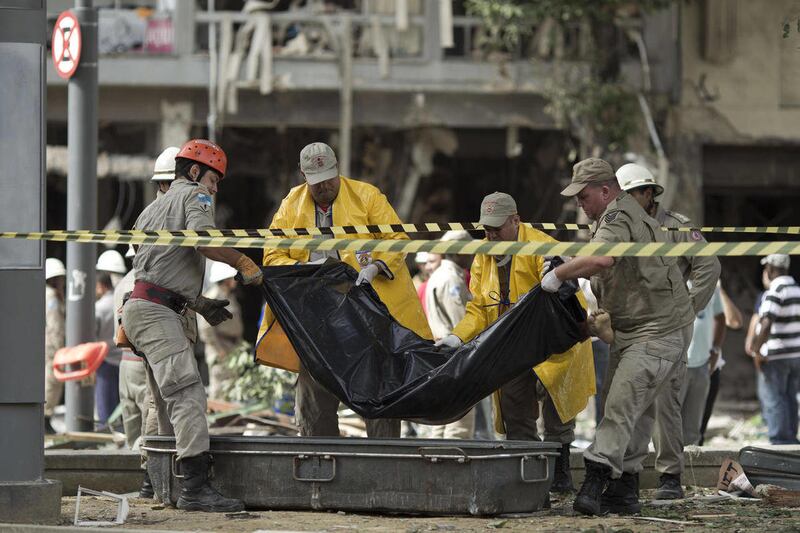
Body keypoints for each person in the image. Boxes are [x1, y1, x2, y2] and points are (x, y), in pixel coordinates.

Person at [545, 158, 696, 515]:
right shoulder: (617, 216)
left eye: (583, 197)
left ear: (606, 191)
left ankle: (594, 484)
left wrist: (559, 276)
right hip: (641, 329)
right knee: (635, 410)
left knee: (619, 407)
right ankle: (623, 492)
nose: (579, 205)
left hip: (657, 331)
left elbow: (603, 259)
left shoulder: (616, 216)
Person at [121, 139, 263, 512]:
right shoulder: (196, 197)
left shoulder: (150, 211)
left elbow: (153, 267)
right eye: (213, 180)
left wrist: (196, 304)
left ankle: (158, 483)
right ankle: (195, 489)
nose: (215, 190)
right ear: (196, 172)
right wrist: (242, 261)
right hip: (157, 314)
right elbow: (202, 241)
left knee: (163, 404)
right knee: (187, 395)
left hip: (141, 308)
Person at [255, 141, 432, 438]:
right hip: (318, 318)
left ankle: (384, 463)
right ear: (303, 175)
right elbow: (272, 256)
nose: (324, 186)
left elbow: (397, 239)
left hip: (367, 311)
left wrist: (375, 265)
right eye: (316, 182)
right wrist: (310, 268)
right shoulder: (291, 205)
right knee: (314, 393)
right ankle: (319, 461)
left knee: (380, 387)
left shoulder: (367, 196)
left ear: (338, 169)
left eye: (329, 178)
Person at [436, 192, 595, 494]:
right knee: (515, 412)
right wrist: (457, 337)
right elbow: (479, 308)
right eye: (487, 229)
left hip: (554, 346)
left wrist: (556, 275)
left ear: (516, 221)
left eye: (497, 228)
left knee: (557, 416)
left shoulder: (543, 247)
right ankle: (529, 479)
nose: (492, 235)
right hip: (512, 349)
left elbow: (564, 302)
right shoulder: (483, 254)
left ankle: (559, 477)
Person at [615, 163, 721, 499]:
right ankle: (625, 476)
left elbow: (709, 264)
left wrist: (689, 307)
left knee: (664, 402)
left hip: (668, 327)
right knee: (626, 399)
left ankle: (669, 478)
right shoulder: (619, 226)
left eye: (631, 195)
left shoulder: (676, 228)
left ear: (648, 194)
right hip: (632, 325)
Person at [419, 230, 476, 439]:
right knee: (459, 422)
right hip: (455, 356)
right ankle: (452, 466)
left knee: (441, 421)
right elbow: (460, 323)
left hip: (442, 355)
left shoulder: (439, 276)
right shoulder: (451, 279)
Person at [751, 254, 800, 445]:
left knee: (774, 399)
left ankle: (779, 442)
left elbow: (766, 322)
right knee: (790, 398)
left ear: (770, 269)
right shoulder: (797, 289)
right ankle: (791, 441)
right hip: (796, 355)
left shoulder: (775, 290)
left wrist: (756, 349)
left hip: (777, 355)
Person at [680, 284, 725, 446]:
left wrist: (715, 349)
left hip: (702, 365)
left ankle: (689, 469)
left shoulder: (711, 285)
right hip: (677, 364)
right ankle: (668, 468)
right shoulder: (674, 279)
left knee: (693, 429)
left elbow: (721, 317)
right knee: (667, 425)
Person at [698, 283, 742, 445]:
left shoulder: (714, 292)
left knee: (698, 431)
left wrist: (719, 289)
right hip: (682, 367)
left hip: (708, 368)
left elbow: (735, 321)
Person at [198, 261, 243, 400]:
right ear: (225, 279)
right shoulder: (213, 297)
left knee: (231, 387)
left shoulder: (229, 296)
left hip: (232, 347)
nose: (235, 281)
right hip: (220, 348)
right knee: (219, 388)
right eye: (233, 278)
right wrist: (219, 349)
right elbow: (205, 329)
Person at [94, 251, 127, 429]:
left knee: (105, 409)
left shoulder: (98, 308)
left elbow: (92, 336)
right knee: (119, 406)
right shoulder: (123, 299)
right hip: (122, 358)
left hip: (104, 361)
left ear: (101, 284)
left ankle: (106, 436)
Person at [44, 257, 66, 435]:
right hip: (52, 347)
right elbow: (54, 326)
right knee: (51, 383)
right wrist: (57, 349)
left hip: (46, 346)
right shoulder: (51, 296)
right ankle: (45, 418)